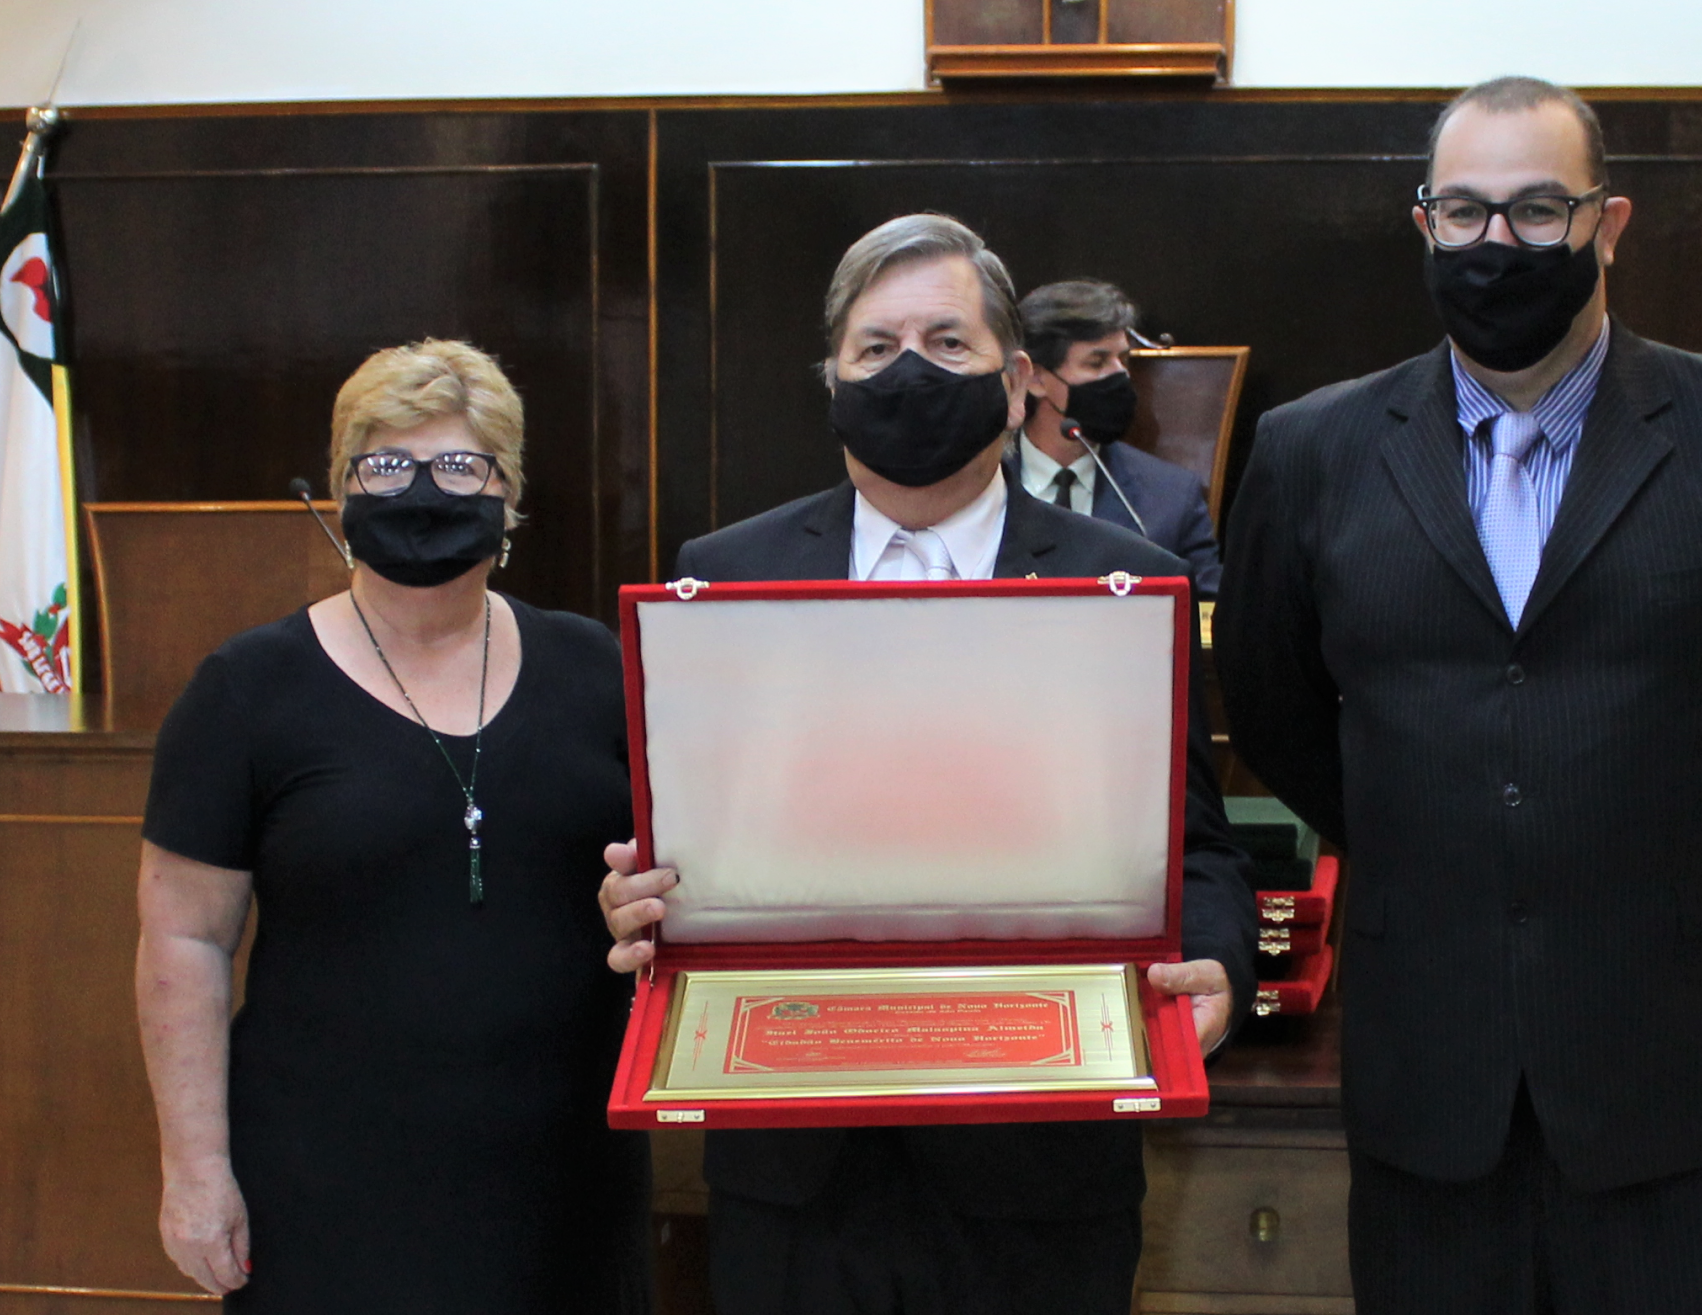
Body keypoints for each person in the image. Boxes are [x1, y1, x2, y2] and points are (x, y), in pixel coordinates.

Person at [1215, 77, 1702, 1314]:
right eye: (1464, 211)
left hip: (1678, 1076)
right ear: (1422, 221)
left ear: (1609, 222)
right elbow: (1270, 706)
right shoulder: (1309, 451)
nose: (1497, 243)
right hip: (1427, 1076)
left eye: (1538, 210)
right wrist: (1427, 844)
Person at [598, 214, 1258, 1315]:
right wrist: (643, 898)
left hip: (1042, 1169)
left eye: (948, 343)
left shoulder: (1125, 582)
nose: (910, 371)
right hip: (793, 1172)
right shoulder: (727, 574)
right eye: (876, 348)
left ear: (1016, 381)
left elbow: (1198, 845)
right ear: (832, 381)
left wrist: (1221, 977)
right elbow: (689, 842)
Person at [135, 340, 653, 1312]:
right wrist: (193, 1170)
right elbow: (183, 939)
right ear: (340, 490)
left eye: (458, 464)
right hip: (325, 1188)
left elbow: (668, 877)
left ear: (509, 495)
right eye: (386, 465)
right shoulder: (245, 691)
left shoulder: (599, 668)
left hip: (564, 1183)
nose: (421, 490)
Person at [1010, 279, 1223, 596]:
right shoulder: (980, 484)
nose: (1120, 375)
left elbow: (1206, 611)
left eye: (1123, 360)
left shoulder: (1173, 497)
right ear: (1036, 378)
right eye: (1096, 362)